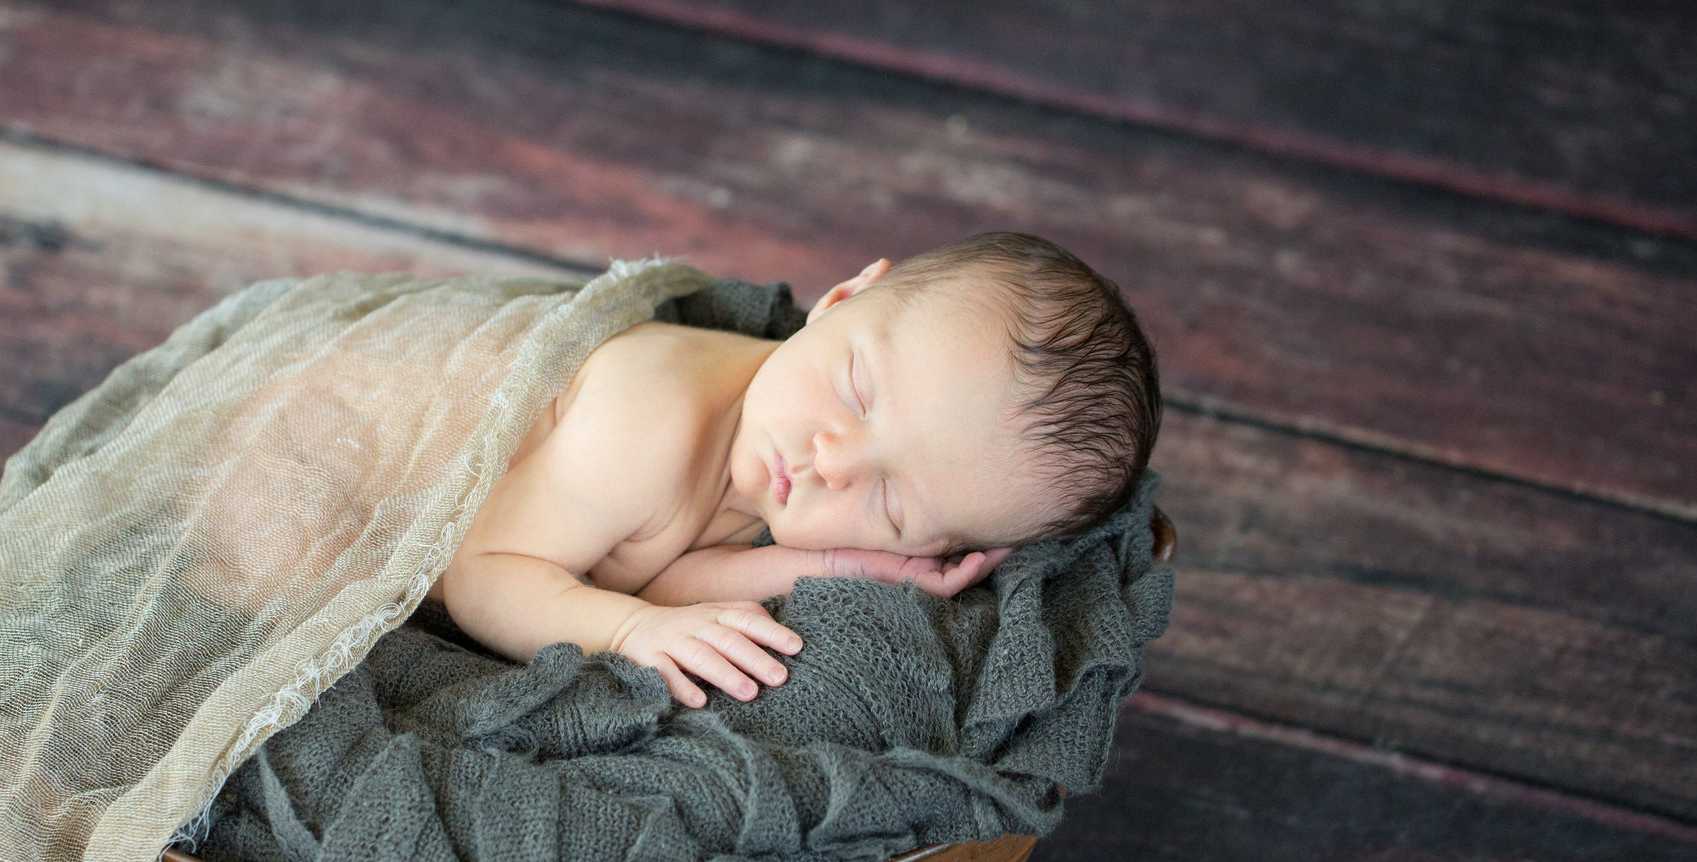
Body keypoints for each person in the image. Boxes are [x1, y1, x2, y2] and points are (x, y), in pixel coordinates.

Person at [432, 232, 1161, 707]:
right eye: (859, 392)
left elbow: (652, 570)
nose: (833, 460)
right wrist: (627, 633)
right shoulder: (649, 423)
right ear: (841, 298)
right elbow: (483, 570)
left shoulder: (761, 450)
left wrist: (851, 564)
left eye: (893, 503)